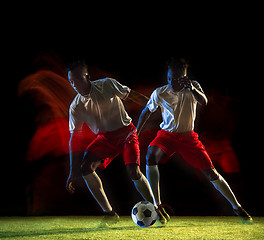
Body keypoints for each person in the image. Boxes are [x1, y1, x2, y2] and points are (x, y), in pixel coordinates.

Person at [136, 58, 253, 224]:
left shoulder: (193, 87)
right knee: (150, 156)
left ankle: (237, 207)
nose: (172, 83)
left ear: (184, 76)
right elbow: (146, 112)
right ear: (167, 76)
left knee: (211, 173)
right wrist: (137, 132)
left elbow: (204, 101)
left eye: (176, 79)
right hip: (166, 135)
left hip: (188, 137)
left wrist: (191, 88)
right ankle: (157, 206)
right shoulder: (160, 92)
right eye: (169, 79)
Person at [65, 61, 165, 226]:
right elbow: (74, 139)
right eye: (71, 81)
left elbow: (132, 95)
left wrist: (153, 106)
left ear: (87, 77)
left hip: (126, 133)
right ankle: (109, 213)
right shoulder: (76, 106)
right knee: (84, 169)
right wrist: (72, 171)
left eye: (77, 79)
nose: (75, 84)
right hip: (104, 138)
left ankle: (156, 207)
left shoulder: (107, 84)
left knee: (133, 172)